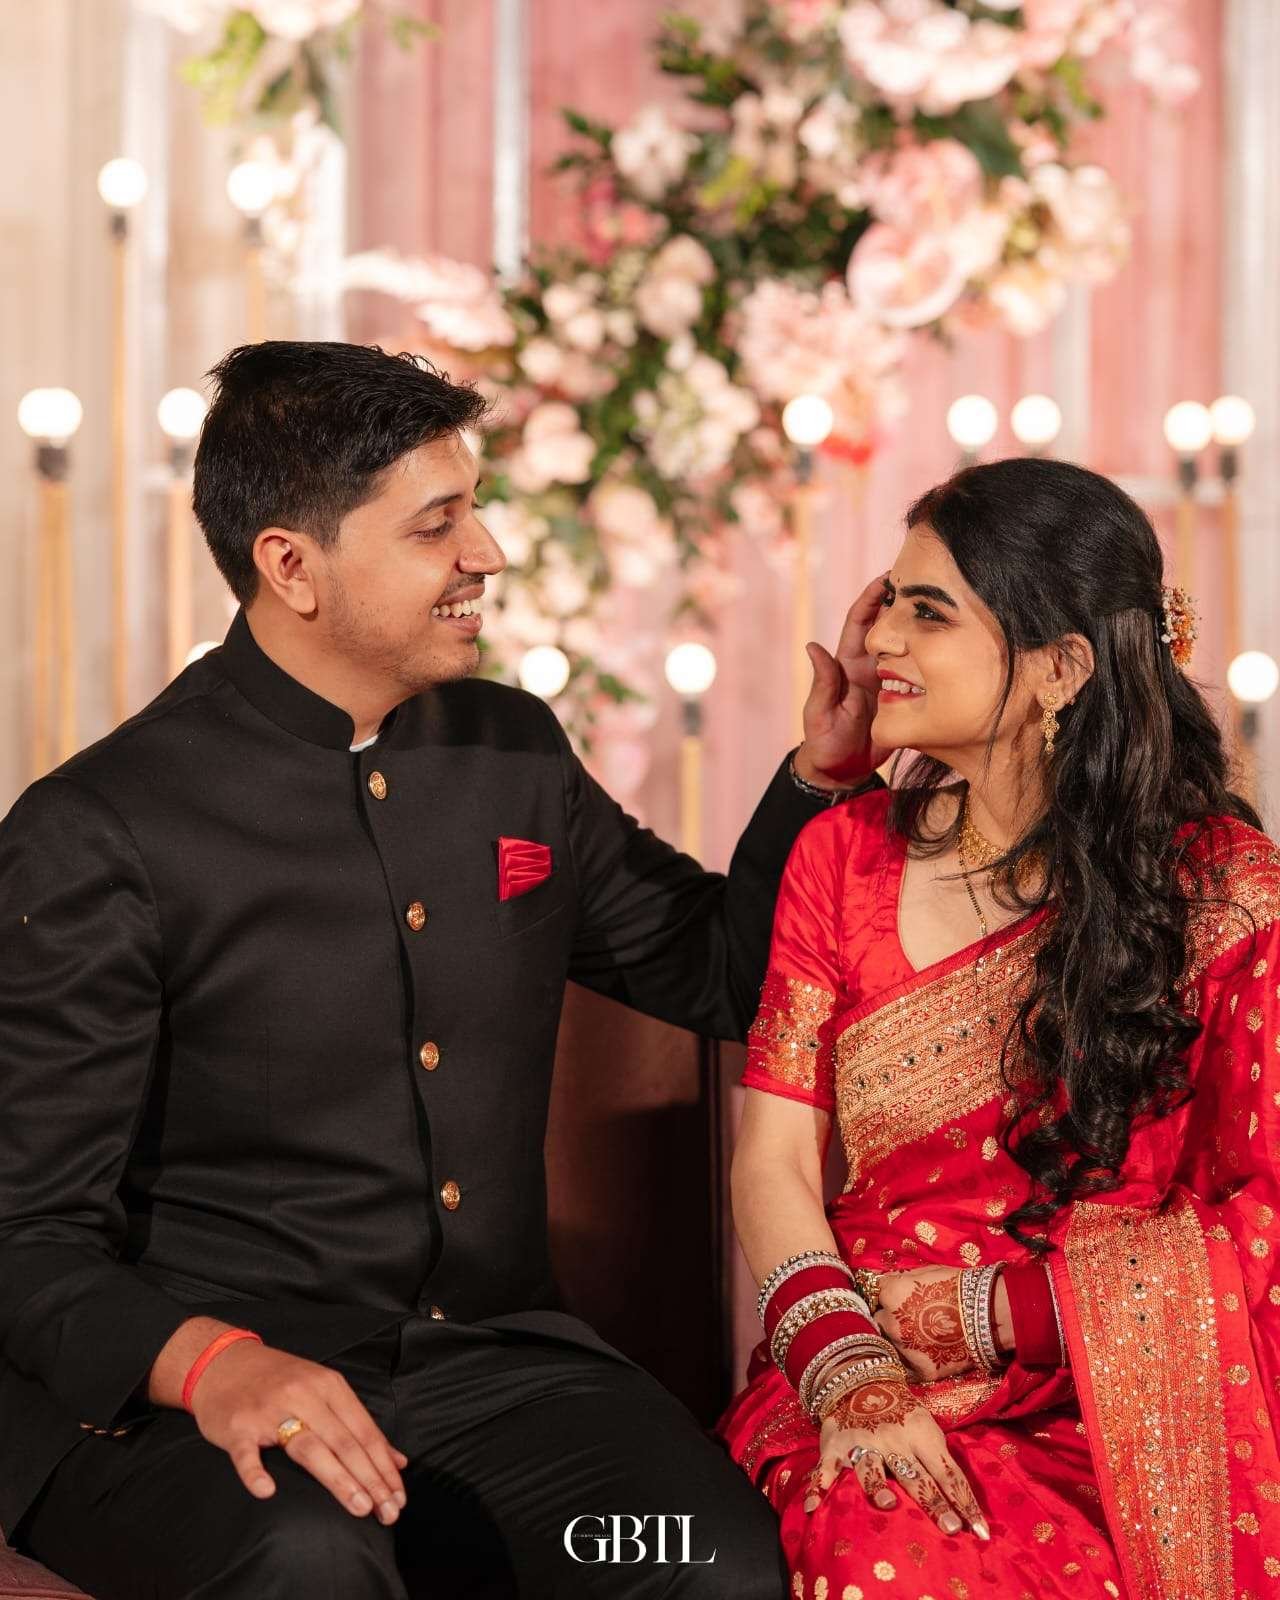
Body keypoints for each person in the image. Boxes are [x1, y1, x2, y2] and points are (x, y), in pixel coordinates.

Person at [0, 340, 888, 1600]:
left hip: (494, 1377)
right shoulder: (99, 828)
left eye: (474, 509)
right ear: (290, 566)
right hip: (191, 1397)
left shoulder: (507, 748)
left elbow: (718, 971)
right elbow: (24, 1230)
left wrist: (818, 784)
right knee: (313, 1561)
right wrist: (208, 1362)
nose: (487, 553)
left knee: (707, 1564)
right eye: (436, 526)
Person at [716, 457, 1280, 1600]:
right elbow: (771, 1160)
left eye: (929, 613)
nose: (881, 639)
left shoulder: (1220, 893)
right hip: (862, 1360)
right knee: (879, 1541)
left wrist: (1002, 1312)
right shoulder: (843, 854)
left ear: (1059, 667)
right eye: (889, 600)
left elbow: (1263, 1211)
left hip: (1125, 1397)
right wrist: (847, 1369)